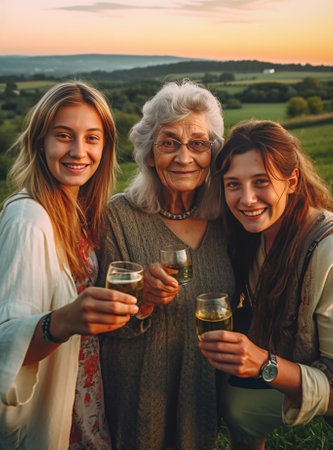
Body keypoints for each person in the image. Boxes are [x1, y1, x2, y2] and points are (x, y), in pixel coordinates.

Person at [96, 80, 235, 449]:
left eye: (198, 144)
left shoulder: (229, 221)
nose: (184, 157)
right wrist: (143, 301)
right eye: (169, 142)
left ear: (213, 154)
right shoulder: (119, 217)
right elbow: (103, 327)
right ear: (149, 153)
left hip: (202, 391)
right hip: (138, 394)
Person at [0, 81, 139, 449]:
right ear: (39, 142)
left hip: (86, 401)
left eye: (92, 138)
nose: (79, 151)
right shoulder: (28, 218)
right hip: (51, 413)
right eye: (64, 135)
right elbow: (5, 344)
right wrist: (64, 321)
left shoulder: (81, 214)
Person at [198, 119, 333, 449]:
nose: (247, 199)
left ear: (291, 182)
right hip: (294, 359)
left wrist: (264, 363)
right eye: (233, 184)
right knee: (233, 400)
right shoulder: (250, 236)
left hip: (325, 383)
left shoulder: (329, 252)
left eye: (260, 182)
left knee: (238, 406)